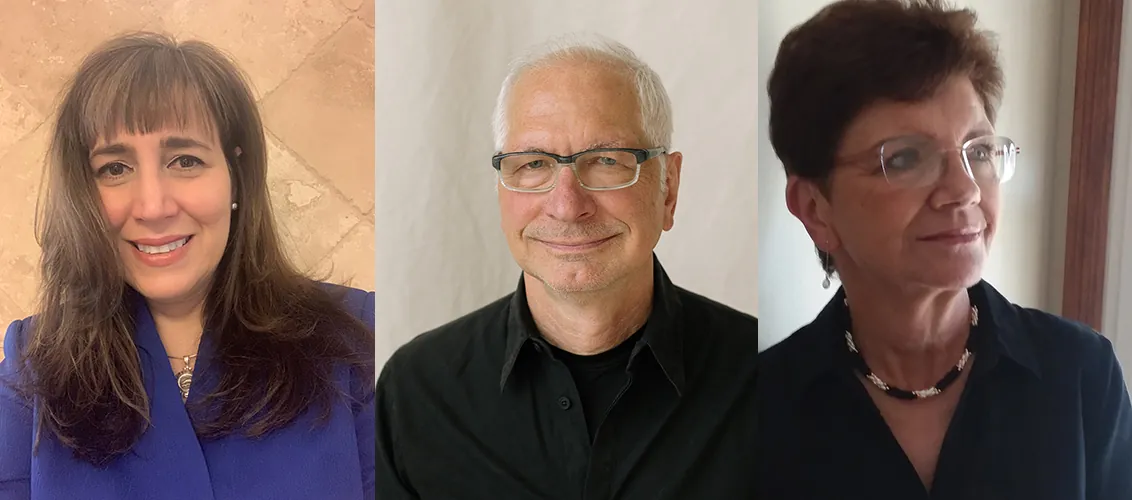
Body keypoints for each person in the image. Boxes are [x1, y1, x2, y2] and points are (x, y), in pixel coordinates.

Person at [756, 1, 1132, 498]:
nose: (964, 189)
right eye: (906, 157)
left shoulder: (1081, 374)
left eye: (980, 150)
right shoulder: (756, 413)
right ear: (815, 208)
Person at [375, 33, 758, 499]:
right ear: (501, 189)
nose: (566, 205)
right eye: (533, 164)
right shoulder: (416, 395)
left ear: (669, 189)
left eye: (607, 160)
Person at [0, 32, 376, 500]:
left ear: (236, 176)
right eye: (115, 168)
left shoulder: (360, 338)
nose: (153, 206)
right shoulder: (33, 367)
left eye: (185, 160)